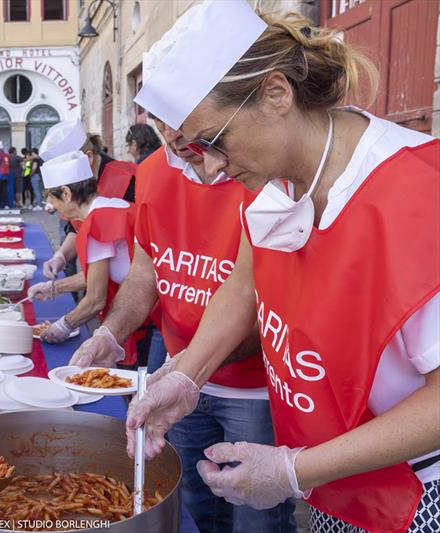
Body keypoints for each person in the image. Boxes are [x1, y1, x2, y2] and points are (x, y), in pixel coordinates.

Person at [127, 2, 440, 531]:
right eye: (192, 152)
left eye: (212, 142)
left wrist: (293, 470)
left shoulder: (416, 194)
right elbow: (242, 288)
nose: (211, 170)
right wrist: (185, 375)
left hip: (412, 491)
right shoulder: (276, 184)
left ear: (276, 94)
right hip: (332, 482)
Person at [68, 17, 295, 532]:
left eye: (201, 140)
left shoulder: (265, 166)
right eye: (175, 137)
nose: (207, 165)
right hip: (179, 375)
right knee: (196, 503)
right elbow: (148, 270)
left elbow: (254, 292)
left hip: (253, 388)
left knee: (259, 519)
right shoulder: (152, 174)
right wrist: (111, 331)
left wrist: (190, 367)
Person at [27, 151, 150, 368]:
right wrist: (54, 287)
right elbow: (99, 273)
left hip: (145, 321)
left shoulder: (96, 223)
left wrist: (64, 326)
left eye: (51, 197)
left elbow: (95, 299)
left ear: (66, 193)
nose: (52, 206)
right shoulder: (114, 205)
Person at [40, 122, 138, 281]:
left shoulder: (129, 179)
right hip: (97, 277)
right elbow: (76, 226)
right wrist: (61, 256)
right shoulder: (76, 183)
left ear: (88, 157)